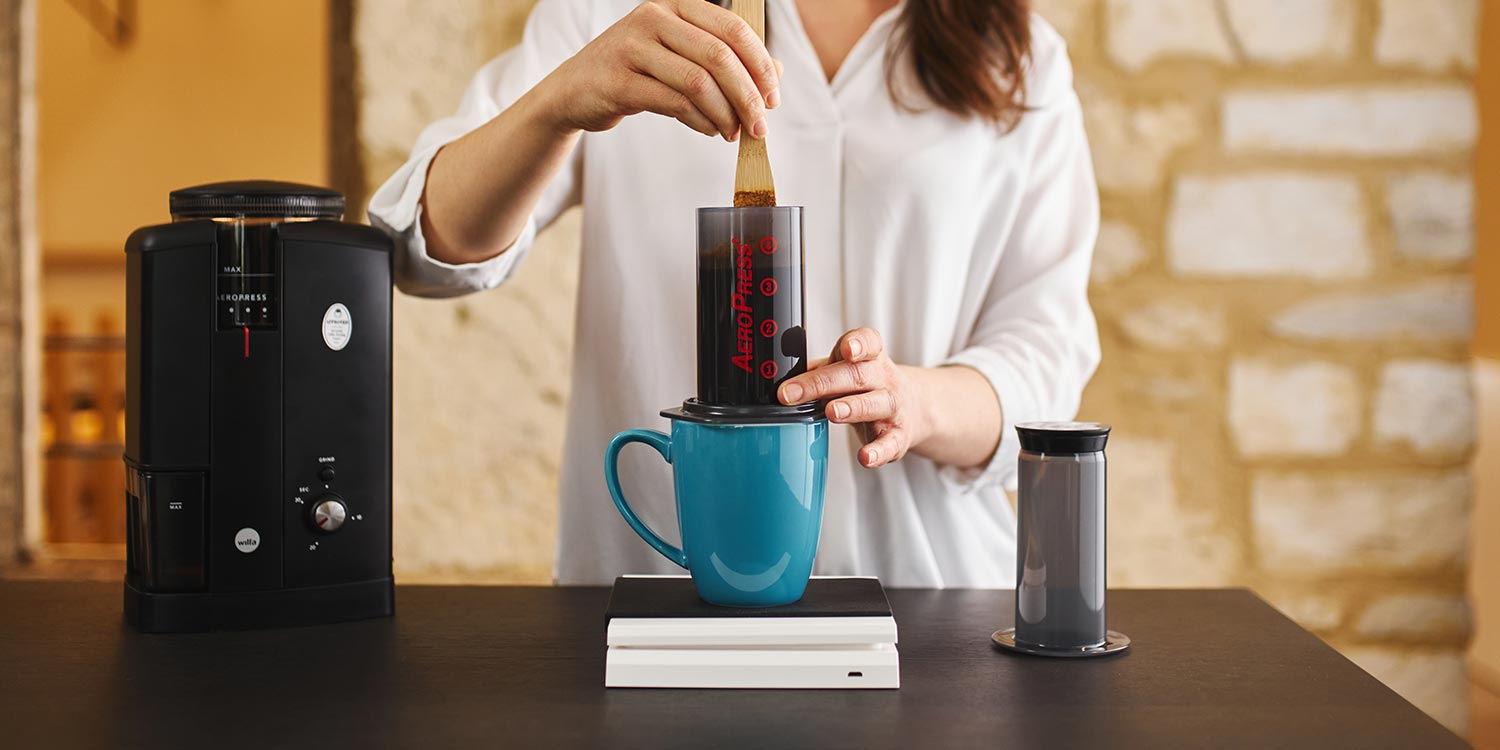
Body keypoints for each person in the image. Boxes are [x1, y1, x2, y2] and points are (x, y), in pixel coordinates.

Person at [369, 0, 1100, 588]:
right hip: (656, 597)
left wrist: (915, 401)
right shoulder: (610, 16)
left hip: (931, 610)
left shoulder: (1022, 59)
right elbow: (425, 247)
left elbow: (1046, 352)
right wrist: (559, 100)